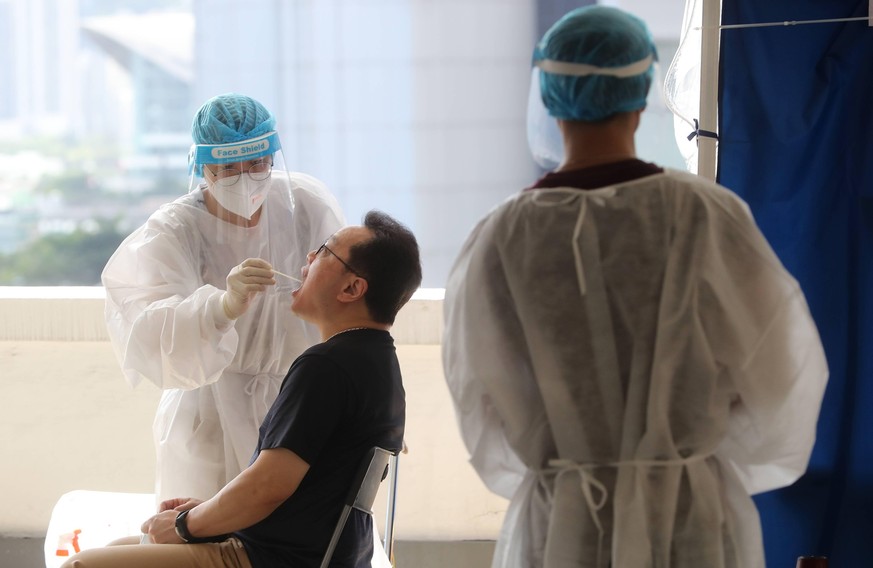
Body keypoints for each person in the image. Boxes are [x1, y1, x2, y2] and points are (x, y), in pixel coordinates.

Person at [442, 6, 828, 568]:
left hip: (562, 528)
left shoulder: (502, 237)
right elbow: (778, 381)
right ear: (642, 94)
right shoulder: (704, 216)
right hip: (689, 521)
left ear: (549, 97)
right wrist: (687, 454)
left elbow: (480, 402)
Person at [63, 210, 423, 568]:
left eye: (325, 252)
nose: (309, 258)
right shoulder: (377, 361)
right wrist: (204, 512)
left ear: (352, 288)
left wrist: (184, 526)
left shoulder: (326, 366)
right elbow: (301, 490)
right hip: (317, 552)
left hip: (273, 558)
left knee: (82, 565)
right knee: (121, 546)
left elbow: (267, 488)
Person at [101, 92, 345, 503]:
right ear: (203, 167)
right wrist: (220, 307)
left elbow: (346, 301)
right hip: (208, 412)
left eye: (256, 163)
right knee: (202, 541)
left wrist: (360, 400)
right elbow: (148, 330)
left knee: (291, 539)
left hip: (298, 402)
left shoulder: (303, 205)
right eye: (228, 167)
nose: (246, 178)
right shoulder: (174, 230)